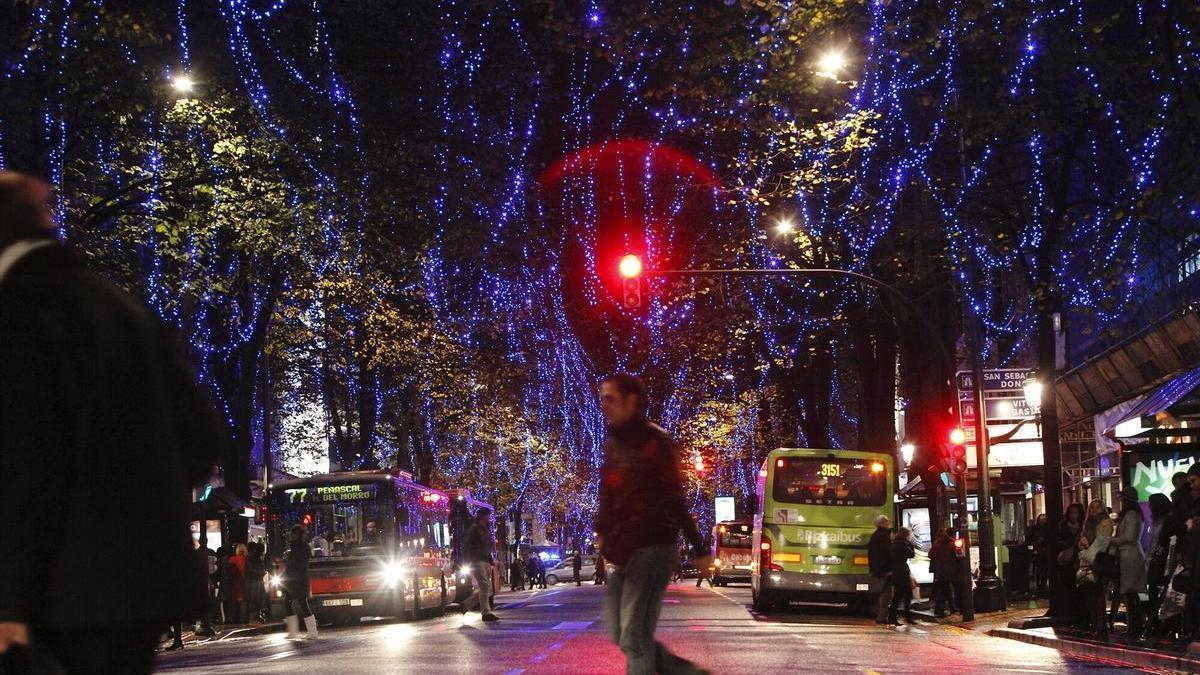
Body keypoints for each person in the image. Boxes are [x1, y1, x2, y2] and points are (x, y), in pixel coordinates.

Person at [0, 172, 226, 673]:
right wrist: (139, 505)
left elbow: (26, 466)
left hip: (63, 589)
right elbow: (198, 435)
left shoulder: (20, 314)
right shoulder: (123, 309)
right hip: (145, 581)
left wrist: (10, 601)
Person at [594, 373, 710, 675]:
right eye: (602, 398)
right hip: (623, 549)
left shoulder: (655, 442)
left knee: (634, 637)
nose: (603, 405)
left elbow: (675, 497)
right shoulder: (612, 443)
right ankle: (685, 672)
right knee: (620, 632)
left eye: (610, 398)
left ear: (631, 401)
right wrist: (603, 532)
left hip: (652, 546)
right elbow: (607, 493)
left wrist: (700, 548)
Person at [1111, 488, 1147, 640]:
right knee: (1130, 593)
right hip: (1129, 554)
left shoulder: (1131, 515)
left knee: (1130, 592)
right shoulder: (1133, 514)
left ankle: (1135, 625)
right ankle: (1135, 624)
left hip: (1129, 555)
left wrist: (1112, 540)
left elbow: (1130, 537)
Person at [1078, 499, 1116, 640]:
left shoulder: (1105, 523)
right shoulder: (1088, 524)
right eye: (1092, 508)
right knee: (1089, 593)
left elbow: (1101, 543)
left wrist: (1086, 550)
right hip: (1087, 560)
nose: (1094, 510)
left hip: (1098, 561)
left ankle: (1100, 626)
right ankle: (1096, 624)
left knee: (1097, 593)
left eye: (1098, 507)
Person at [1142, 493, 1172, 636]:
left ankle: (1157, 623)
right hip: (1151, 559)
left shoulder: (1166, 521)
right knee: (1147, 593)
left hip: (1158, 561)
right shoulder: (1155, 521)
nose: (1149, 506)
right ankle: (1153, 621)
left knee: (1153, 592)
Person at [282, 525, 318, 641]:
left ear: (296, 534)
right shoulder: (302, 547)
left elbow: (294, 564)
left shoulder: (297, 547)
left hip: (296, 580)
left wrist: (287, 568)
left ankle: (301, 631)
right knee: (296, 602)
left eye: (292, 534)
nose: (290, 536)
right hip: (299, 579)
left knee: (299, 603)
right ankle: (305, 631)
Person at [462, 508, 498, 622]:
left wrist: (490, 559)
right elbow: (467, 545)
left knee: (485, 587)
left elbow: (486, 547)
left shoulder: (485, 529)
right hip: (477, 560)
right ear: (483, 516)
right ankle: (485, 613)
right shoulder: (474, 529)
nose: (489, 517)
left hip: (484, 560)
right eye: (488, 515)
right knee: (485, 586)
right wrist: (467, 559)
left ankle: (466, 605)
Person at [1053, 503, 1086, 625]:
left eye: (1076, 513)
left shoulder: (1083, 527)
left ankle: (1081, 617)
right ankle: (1072, 616)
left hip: (1079, 561)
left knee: (1080, 590)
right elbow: (1058, 542)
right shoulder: (1063, 527)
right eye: (1071, 512)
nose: (1073, 515)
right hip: (1067, 562)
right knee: (1069, 589)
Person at [887, 527, 917, 625]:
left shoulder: (895, 543)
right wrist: (911, 544)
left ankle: (894, 617)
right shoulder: (904, 544)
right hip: (902, 571)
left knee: (898, 595)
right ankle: (903, 617)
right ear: (906, 535)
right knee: (904, 595)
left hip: (897, 571)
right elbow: (911, 554)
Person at [867, 514, 893, 624]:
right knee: (886, 593)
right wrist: (887, 569)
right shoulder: (883, 536)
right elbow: (886, 554)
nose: (888, 523)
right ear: (881, 523)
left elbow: (871, 554)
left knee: (882, 592)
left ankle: (878, 612)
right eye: (886, 522)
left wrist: (872, 569)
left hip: (878, 569)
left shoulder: (875, 535)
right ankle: (881, 616)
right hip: (884, 569)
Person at [929, 527, 959, 617]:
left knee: (944, 590)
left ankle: (940, 610)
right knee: (955, 589)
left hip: (940, 571)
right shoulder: (952, 543)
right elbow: (958, 556)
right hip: (952, 570)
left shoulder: (937, 544)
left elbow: (930, 554)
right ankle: (954, 607)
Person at [1029, 513, 1050, 597]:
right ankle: (1039, 587)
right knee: (1039, 571)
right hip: (1038, 552)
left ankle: (1042, 587)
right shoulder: (1034, 529)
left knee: (1044, 571)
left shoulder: (1047, 529)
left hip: (1045, 552)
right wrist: (1033, 548)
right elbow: (1029, 541)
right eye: (1042, 520)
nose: (1043, 521)